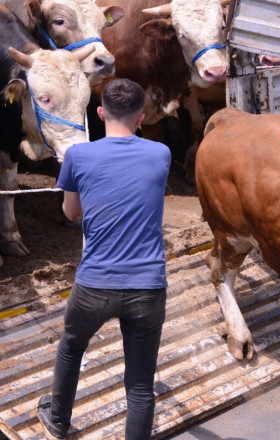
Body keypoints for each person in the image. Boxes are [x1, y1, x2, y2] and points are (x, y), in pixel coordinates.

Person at [36, 78, 171, 440]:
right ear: (142, 118)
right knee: (141, 386)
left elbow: (71, 213)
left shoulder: (78, 155)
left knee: (71, 346)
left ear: (99, 113)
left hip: (95, 283)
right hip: (148, 286)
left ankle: (58, 420)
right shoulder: (161, 154)